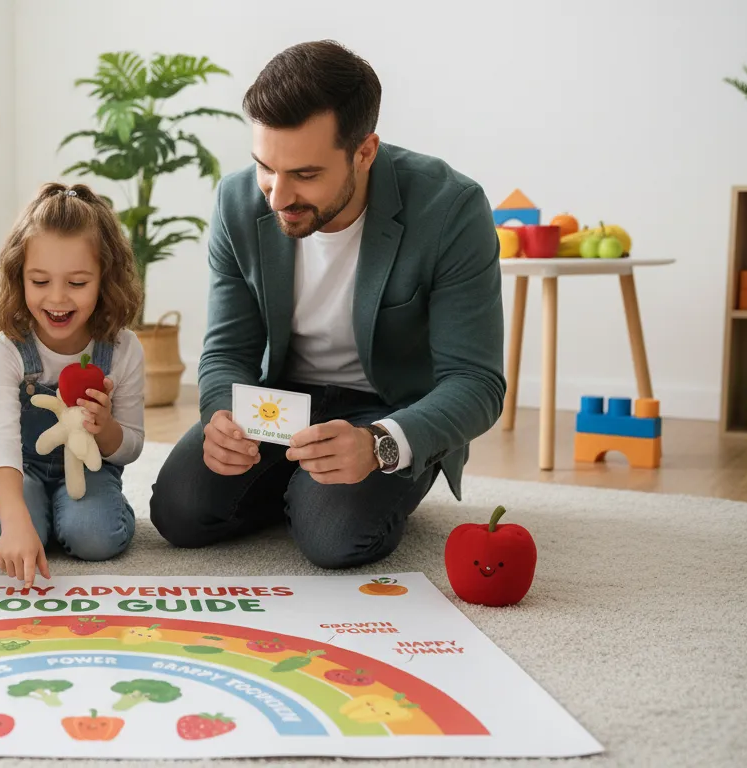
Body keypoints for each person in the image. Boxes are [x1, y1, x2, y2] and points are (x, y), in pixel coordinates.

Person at [150, 40, 505, 569]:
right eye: (266, 167)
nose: (276, 197)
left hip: (389, 410)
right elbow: (227, 349)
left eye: (306, 175)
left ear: (364, 152)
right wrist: (221, 414)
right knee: (180, 512)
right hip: (277, 405)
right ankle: (301, 491)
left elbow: (476, 382)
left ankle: (326, 495)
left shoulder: (451, 208)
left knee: (335, 539)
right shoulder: (237, 201)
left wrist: (382, 445)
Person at [0, 183, 146, 587]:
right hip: (19, 466)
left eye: (77, 283)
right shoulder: (5, 349)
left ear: (105, 279)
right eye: (40, 282)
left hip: (89, 468)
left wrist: (107, 429)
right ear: (19, 277)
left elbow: (131, 447)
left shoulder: (123, 349)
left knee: (98, 538)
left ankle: (63, 512)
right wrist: (14, 521)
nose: (57, 298)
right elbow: (0, 441)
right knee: (2, 531)